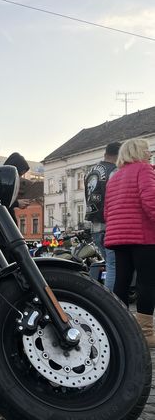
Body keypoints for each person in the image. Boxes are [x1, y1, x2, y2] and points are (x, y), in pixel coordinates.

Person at [104, 138, 155, 348]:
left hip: (118, 236)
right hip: (142, 235)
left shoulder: (115, 177)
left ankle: (121, 329)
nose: (150, 153)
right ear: (138, 152)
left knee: (122, 281)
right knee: (146, 282)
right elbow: (151, 201)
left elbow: (107, 211)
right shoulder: (144, 169)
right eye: (147, 150)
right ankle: (146, 332)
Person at [84, 141, 121, 290]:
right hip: (109, 225)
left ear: (105, 153)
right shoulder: (114, 171)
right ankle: (111, 300)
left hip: (95, 226)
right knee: (114, 267)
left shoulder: (90, 171)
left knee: (110, 265)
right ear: (119, 155)